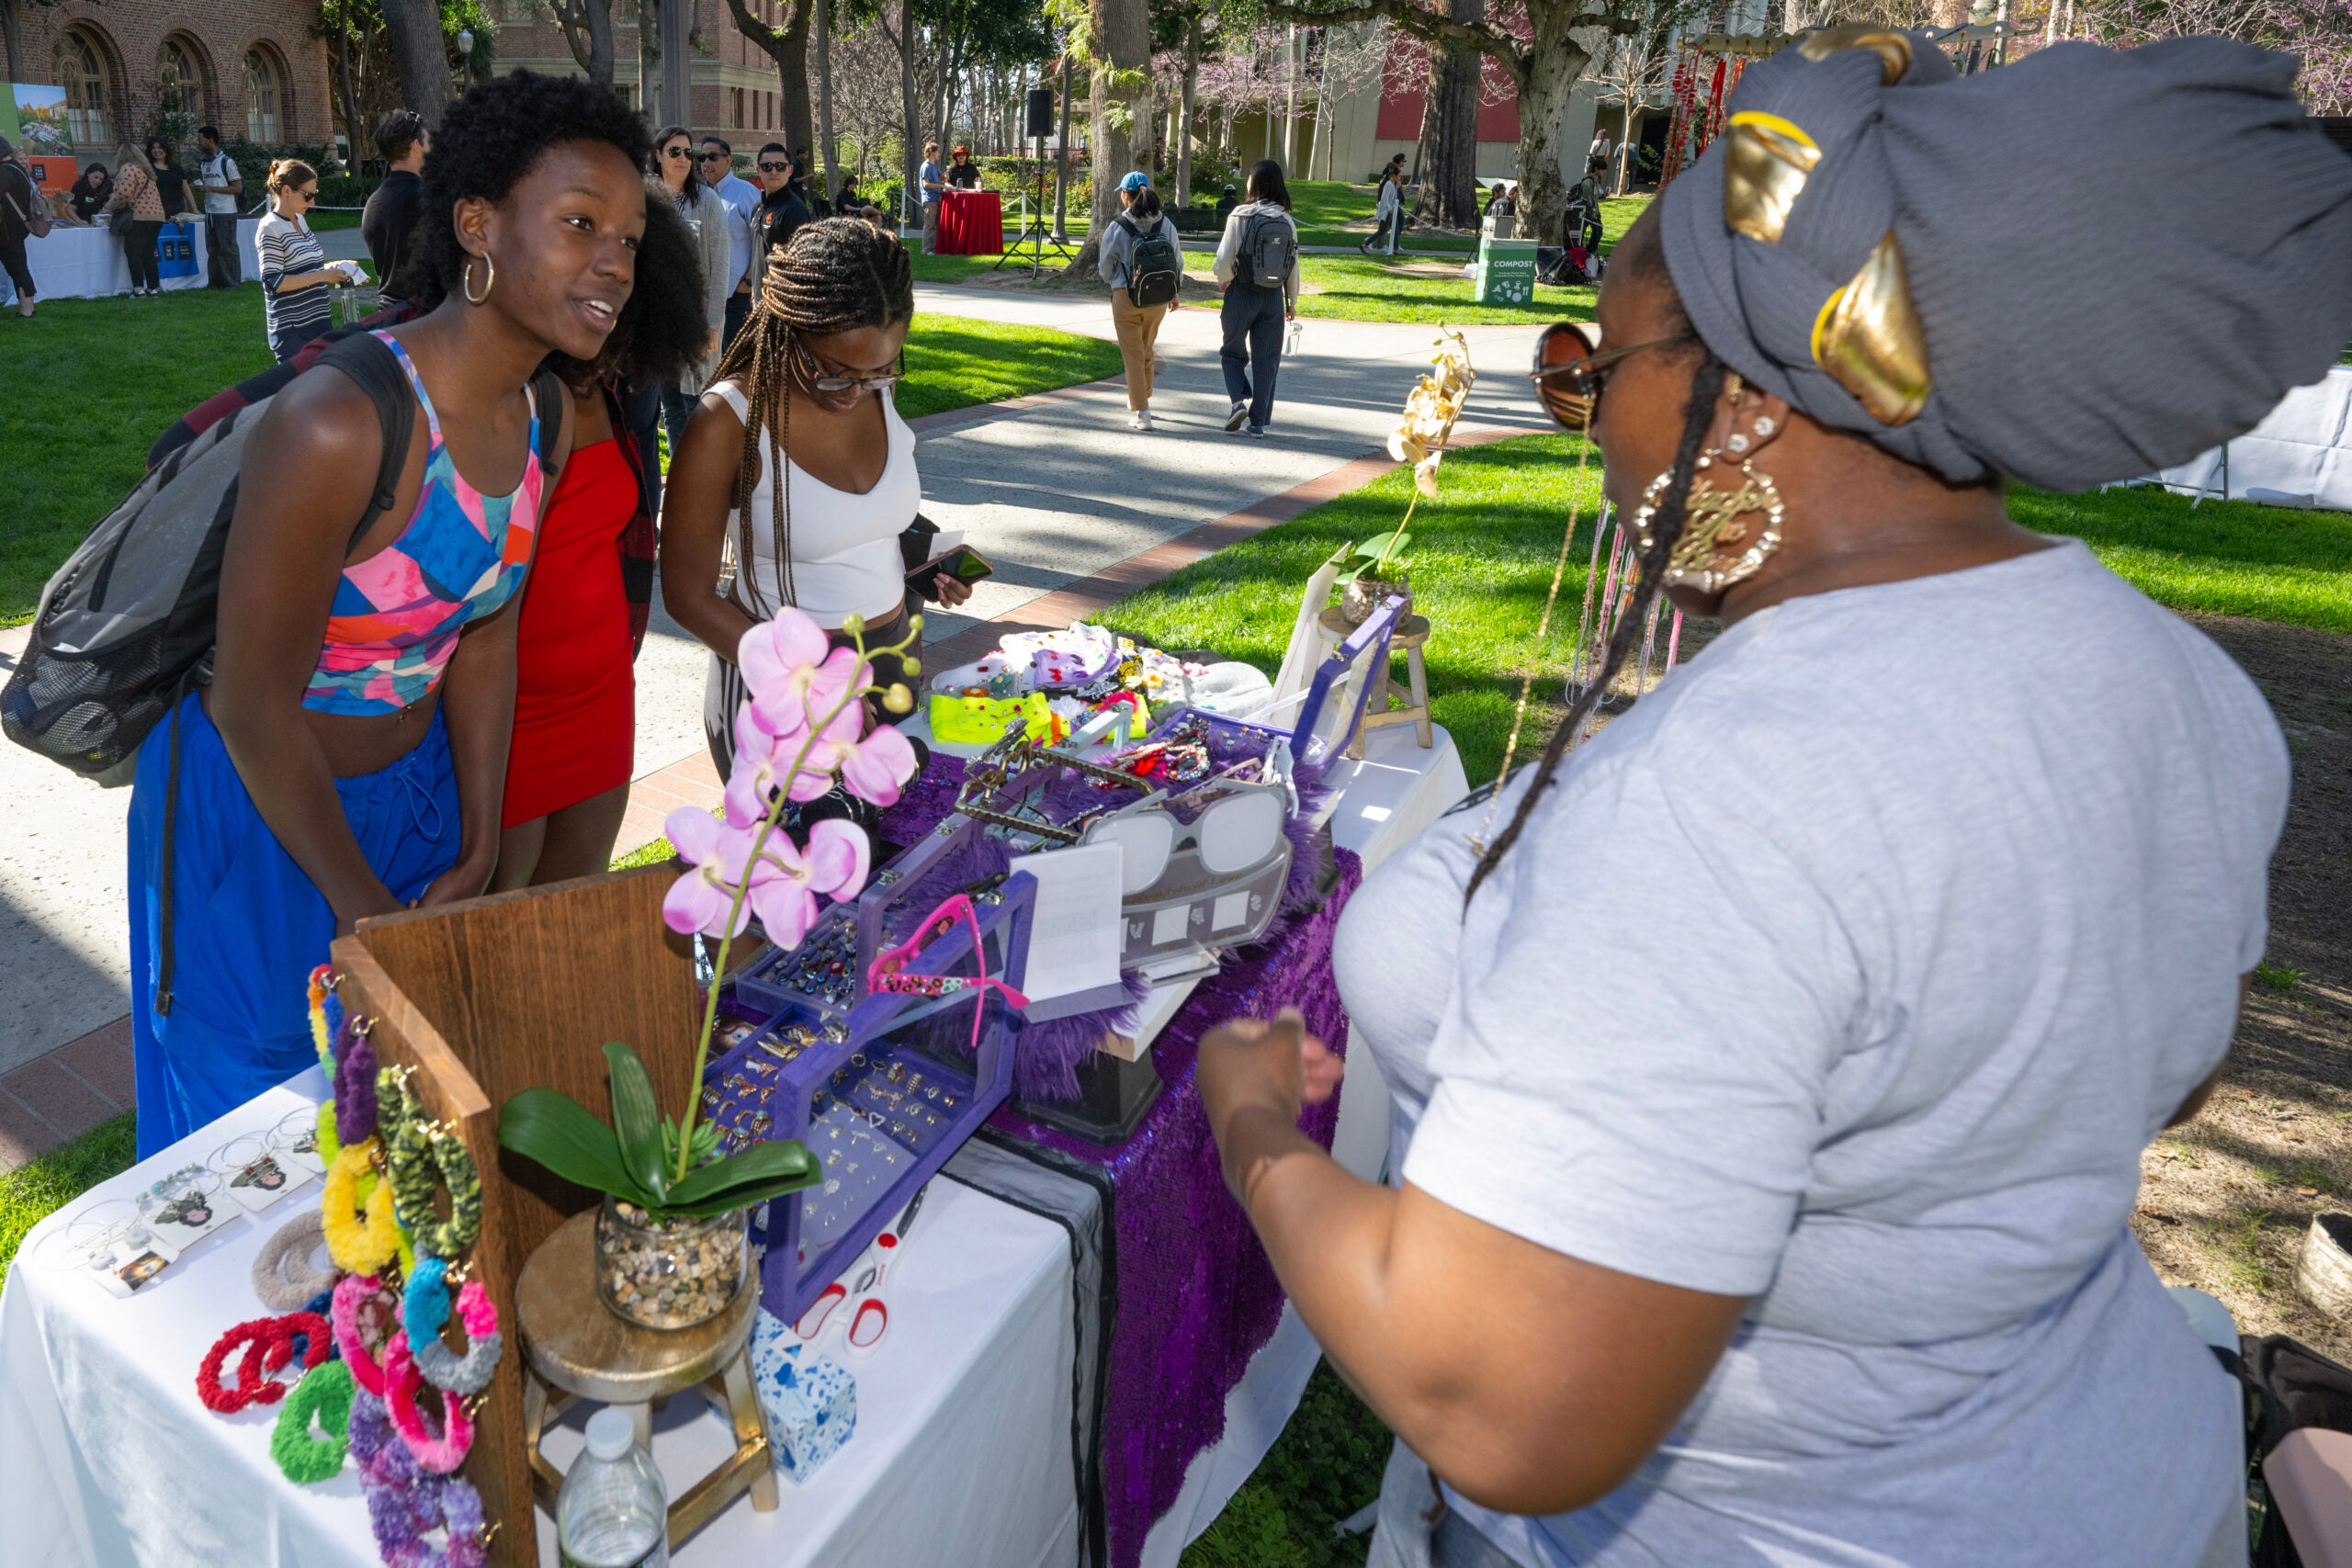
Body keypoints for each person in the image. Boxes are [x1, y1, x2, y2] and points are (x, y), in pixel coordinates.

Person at [1193, 31, 2352, 1568]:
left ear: (1739, 405)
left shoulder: (1730, 796)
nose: (1585, 425)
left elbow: (1499, 1398)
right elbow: (2162, 1072)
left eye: (1594, 373)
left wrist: (1255, 1124)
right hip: (2102, 1472)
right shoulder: (2186, 687)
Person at [124, 70, 646, 1156]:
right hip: (263, 820)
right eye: (580, 224)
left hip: (409, 805)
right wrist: (361, 902)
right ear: (476, 226)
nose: (615, 261)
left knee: (391, 1125)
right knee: (254, 1136)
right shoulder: (340, 423)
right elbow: (255, 708)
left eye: (631, 238)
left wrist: (475, 827)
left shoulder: (544, 412)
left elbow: (485, 630)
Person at [662, 219, 971, 784]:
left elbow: (863, 520)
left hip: (892, 658)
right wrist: (813, 691)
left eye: (878, 371)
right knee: (796, 864)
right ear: (787, 331)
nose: (855, 392)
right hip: (783, 691)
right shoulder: (727, 422)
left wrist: (928, 560)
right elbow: (686, 596)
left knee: (897, 859)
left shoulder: (874, 385)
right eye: (832, 373)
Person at [494, 192, 707, 889]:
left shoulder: (606, 393)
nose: (610, 281)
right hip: (508, 715)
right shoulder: (506, 401)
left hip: (602, 694)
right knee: (502, 926)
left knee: (572, 910)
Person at [627, 126, 729, 495]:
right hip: (653, 326)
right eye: (675, 152)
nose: (684, 159)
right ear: (657, 155)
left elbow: (721, 269)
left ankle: (698, 486)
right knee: (667, 407)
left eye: (690, 153)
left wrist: (712, 325)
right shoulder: (644, 199)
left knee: (696, 406)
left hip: (693, 323)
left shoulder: (707, 202)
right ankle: (683, 483)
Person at [1213, 159, 1298, 438]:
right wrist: (1291, 300)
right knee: (1267, 359)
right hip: (1273, 297)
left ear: (1256, 183)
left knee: (1231, 352)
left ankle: (1238, 401)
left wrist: (1224, 279)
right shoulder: (1287, 220)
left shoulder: (1240, 215)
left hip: (1242, 292)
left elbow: (1225, 258)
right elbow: (1293, 263)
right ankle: (1258, 422)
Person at [256, 160, 361, 363]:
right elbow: (273, 282)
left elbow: (305, 268)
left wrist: (336, 267)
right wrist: (323, 275)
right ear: (287, 190)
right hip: (293, 331)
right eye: (308, 196)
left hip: (318, 323)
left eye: (314, 195)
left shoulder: (300, 220)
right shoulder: (270, 227)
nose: (312, 202)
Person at [1099, 172, 1178, 431]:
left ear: (1125, 195)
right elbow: (1177, 261)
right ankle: (1145, 396)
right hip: (1159, 299)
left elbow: (1105, 266)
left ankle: (1142, 413)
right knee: (1146, 348)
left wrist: (1115, 283)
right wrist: (1174, 292)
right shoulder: (1165, 224)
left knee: (1132, 354)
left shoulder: (1118, 226)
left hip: (1127, 296)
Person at [362, 110, 429, 302]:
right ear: (416, 145)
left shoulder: (374, 203)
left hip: (391, 316)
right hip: (424, 317)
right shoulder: (426, 197)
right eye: (429, 140)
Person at [700, 135, 760, 348]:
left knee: (735, 359)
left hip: (737, 294)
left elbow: (759, 241)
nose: (706, 163)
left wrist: (748, 282)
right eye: (702, 157)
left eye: (713, 157)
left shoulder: (746, 193)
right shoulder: (700, 195)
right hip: (708, 296)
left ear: (728, 160)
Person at [103, 142, 167, 298]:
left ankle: (138, 288)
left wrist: (108, 206)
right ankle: (153, 287)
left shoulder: (128, 169)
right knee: (148, 253)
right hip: (157, 215)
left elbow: (124, 194)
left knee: (133, 252)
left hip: (139, 215)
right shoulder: (147, 171)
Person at [195, 126, 243, 288]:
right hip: (210, 211)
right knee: (213, 249)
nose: (199, 143)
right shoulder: (204, 163)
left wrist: (211, 188)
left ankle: (232, 283)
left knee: (227, 248)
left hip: (225, 211)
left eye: (201, 140)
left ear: (210, 140)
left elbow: (237, 188)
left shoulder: (226, 162)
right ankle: (215, 282)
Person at [752, 142, 810, 274]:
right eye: (767, 167)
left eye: (780, 166)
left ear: (790, 170)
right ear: (759, 170)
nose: (774, 172)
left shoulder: (795, 210)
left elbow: (802, 266)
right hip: (760, 292)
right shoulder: (758, 207)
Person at [0, 135, 37, 318]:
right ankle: (28, 307)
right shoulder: (17, 168)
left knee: (17, 269)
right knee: (19, 268)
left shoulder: (5, 172)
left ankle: (27, 309)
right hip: (17, 225)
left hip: (7, 228)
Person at [1361, 157, 1404, 254]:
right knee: (1381, 231)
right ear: (1393, 176)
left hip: (1391, 211)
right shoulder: (1388, 184)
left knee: (1395, 229)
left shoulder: (1393, 185)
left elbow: (1394, 198)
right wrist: (1389, 208)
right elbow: (1384, 198)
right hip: (1387, 212)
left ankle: (1395, 248)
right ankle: (1365, 244)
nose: (1400, 178)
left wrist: (1397, 188)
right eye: (1399, 176)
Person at [145, 140, 194, 224]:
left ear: (166, 149)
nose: (157, 150)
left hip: (178, 212)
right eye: (153, 148)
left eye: (160, 147)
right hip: (157, 213)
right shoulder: (147, 169)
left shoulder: (176, 168)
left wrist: (194, 209)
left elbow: (186, 189)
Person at [918, 141, 944, 253]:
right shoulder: (926, 166)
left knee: (935, 225)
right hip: (929, 200)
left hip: (935, 199)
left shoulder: (934, 166)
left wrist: (947, 174)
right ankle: (926, 250)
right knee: (929, 226)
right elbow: (926, 184)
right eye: (938, 151)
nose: (939, 154)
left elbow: (942, 177)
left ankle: (933, 249)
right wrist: (941, 185)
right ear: (932, 152)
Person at [67, 160, 110, 224]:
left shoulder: (107, 185)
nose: (98, 181)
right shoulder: (79, 186)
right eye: (95, 177)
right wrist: (80, 222)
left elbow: (115, 200)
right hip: (83, 222)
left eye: (101, 179)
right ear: (88, 174)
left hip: (102, 223)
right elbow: (70, 209)